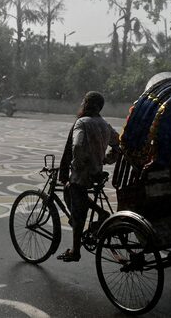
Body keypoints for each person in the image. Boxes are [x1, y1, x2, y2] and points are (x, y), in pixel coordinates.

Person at [57, 91, 120, 262]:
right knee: (73, 193)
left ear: (85, 104)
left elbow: (76, 146)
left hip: (82, 174)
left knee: (78, 213)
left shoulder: (82, 122)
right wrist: (108, 159)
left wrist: (76, 165)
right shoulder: (105, 124)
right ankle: (100, 213)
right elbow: (118, 144)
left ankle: (75, 251)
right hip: (97, 172)